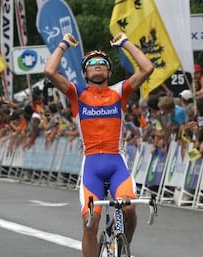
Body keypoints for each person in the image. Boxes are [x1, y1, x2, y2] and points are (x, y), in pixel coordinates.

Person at [44, 32, 154, 257]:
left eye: (102, 63)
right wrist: (64, 44)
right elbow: (50, 71)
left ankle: (124, 245)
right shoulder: (78, 93)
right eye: (91, 64)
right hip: (92, 165)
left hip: (116, 162)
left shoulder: (119, 91)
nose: (97, 66)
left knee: (129, 208)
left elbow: (147, 68)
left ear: (108, 72)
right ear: (85, 72)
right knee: (90, 223)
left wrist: (125, 43)